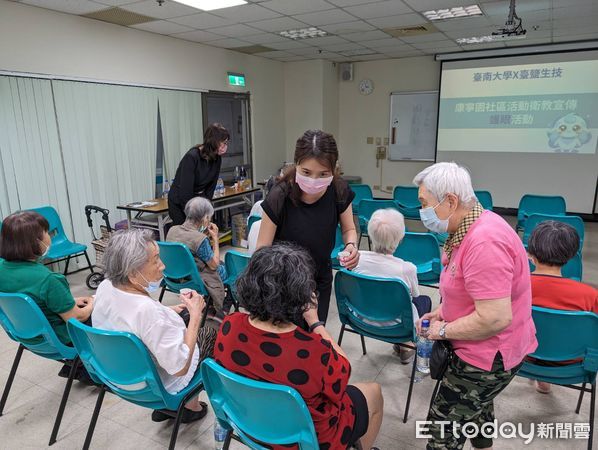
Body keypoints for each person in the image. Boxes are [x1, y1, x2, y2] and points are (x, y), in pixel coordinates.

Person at [413, 162, 537, 450]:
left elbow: (494, 318)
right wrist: (442, 311)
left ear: (451, 201)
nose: (422, 212)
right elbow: (469, 289)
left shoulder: (485, 242)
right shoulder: (471, 225)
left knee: (442, 430)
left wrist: (442, 331)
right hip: (479, 346)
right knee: (477, 406)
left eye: (424, 203)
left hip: (488, 354)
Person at [214, 243, 383, 450]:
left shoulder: (229, 325)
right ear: (302, 295)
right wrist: (316, 323)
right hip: (306, 441)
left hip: (247, 424)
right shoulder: (313, 350)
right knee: (373, 392)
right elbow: (343, 372)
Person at [92, 229, 217, 423]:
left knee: (181, 317)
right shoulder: (147, 312)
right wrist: (195, 316)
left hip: (116, 373)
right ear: (133, 272)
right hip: (153, 387)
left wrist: (169, 310)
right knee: (209, 332)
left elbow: (130, 313)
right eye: (156, 260)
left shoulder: (106, 286)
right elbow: (179, 367)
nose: (163, 265)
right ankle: (188, 407)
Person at [257, 130, 359, 323]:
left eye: (323, 174)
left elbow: (349, 229)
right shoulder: (280, 196)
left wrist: (351, 246)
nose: (313, 180)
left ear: (333, 170)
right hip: (282, 281)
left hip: (319, 278)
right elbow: (262, 251)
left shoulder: (339, 190)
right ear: (296, 165)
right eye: (306, 172)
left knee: (313, 339)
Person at [0, 211, 95, 382]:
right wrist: (94, 303)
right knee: (99, 315)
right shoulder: (48, 279)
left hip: (23, 334)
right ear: (36, 242)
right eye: (47, 232)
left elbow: (29, 300)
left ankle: (74, 367)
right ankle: (90, 370)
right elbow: (77, 318)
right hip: (56, 339)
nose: (49, 236)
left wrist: (69, 301)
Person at [352, 208, 432, 364]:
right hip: (399, 326)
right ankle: (407, 345)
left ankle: (403, 344)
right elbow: (415, 296)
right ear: (401, 238)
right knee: (424, 301)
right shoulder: (407, 268)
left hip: (362, 319)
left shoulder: (357, 259)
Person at [527, 220, 597, 394]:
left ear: (530, 253)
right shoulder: (590, 295)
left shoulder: (515, 287)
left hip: (521, 358)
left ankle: (540, 374)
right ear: (572, 255)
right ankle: (545, 378)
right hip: (571, 363)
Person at [167, 196, 227, 315]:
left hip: (175, 277)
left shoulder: (172, 230)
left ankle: (208, 303)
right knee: (226, 268)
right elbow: (214, 265)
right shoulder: (200, 239)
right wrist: (215, 238)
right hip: (196, 279)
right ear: (205, 218)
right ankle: (223, 307)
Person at [168, 123, 229, 226]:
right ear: (213, 141)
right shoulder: (192, 157)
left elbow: (210, 188)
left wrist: (205, 211)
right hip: (180, 203)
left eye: (226, 143)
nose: (225, 146)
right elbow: (185, 192)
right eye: (223, 143)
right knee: (187, 235)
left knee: (201, 234)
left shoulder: (217, 158)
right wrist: (195, 215)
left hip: (197, 201)